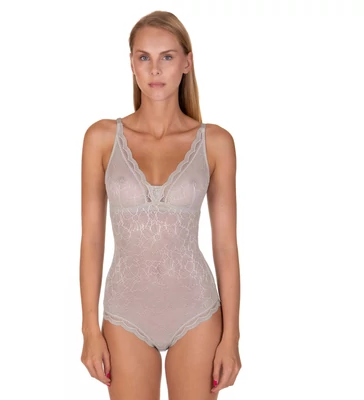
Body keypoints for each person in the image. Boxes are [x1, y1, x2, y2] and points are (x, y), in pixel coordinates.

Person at [79, 10, 241, 399]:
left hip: (197, 311)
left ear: (187, 62)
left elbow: (225, 246)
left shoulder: (216, 143)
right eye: (144, 57)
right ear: (132, 63)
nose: (155, 69)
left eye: (167, 56)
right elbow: (92, 241)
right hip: (125, 313)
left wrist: (232, 337)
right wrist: (89, 329)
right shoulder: (101, 138)